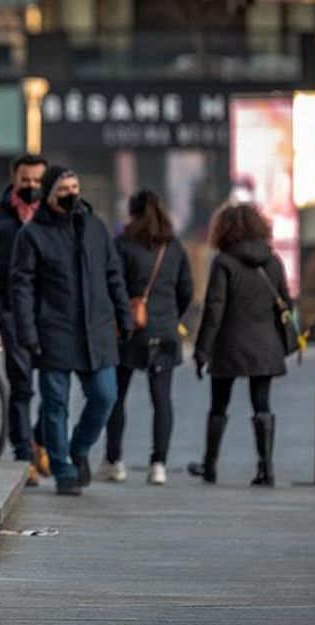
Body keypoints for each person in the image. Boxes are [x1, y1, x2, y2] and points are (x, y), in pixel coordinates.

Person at [8, 166, 132, 496]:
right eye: (63, 188)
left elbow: (114, 276)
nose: (71, 193)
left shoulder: (95, 228)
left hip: (98, 329)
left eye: (75, 186)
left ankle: (79, 448)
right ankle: (63, 469)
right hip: (54, 331)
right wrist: (28, 331)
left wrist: (125, 315)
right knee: (55, 405)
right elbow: (22, 288)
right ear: (48, 194)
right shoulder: (32, 235)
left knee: (105, 396)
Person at [187, 203, 291, 487]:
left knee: (219, 404)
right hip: (265, 345)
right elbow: (285, 302)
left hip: (228, 346)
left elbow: (214, 310)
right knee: (262, 404)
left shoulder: (223, 262)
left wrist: (201, 351)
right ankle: (266, 467)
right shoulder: (272, 261)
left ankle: (210, 466)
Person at [101, 189, 194, 487]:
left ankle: (115, 461)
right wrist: (170, 316)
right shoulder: (174, 246)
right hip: (165, 331)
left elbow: (111, 284)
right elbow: (187, 290)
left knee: (118, 397)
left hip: (129, 331)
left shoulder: (123, 244)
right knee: (162, 399)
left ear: (133, 213)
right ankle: (159, 465)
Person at [0, 154, 47, 481]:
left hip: (52, 314)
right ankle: (24, 455)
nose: (31, 186)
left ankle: (41, 440)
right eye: (25, 180)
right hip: (14, 314)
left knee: (57, 384)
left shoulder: (55, 216)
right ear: (14, 180)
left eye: (37, 181)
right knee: (22, 386)